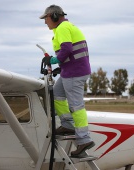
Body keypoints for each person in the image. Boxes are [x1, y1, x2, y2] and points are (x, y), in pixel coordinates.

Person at [39, 4, 95, 157]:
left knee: (76, 105)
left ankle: (84, 139)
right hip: (70, 71)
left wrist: (54, 60)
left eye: (46, 18)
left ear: (54, 16)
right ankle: (68, 125)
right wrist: (61, 66)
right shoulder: (65, 27)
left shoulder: (63, 28)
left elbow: (67, 49)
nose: (45, 22)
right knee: (57, 95)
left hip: (74, 73)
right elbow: (71, 53)